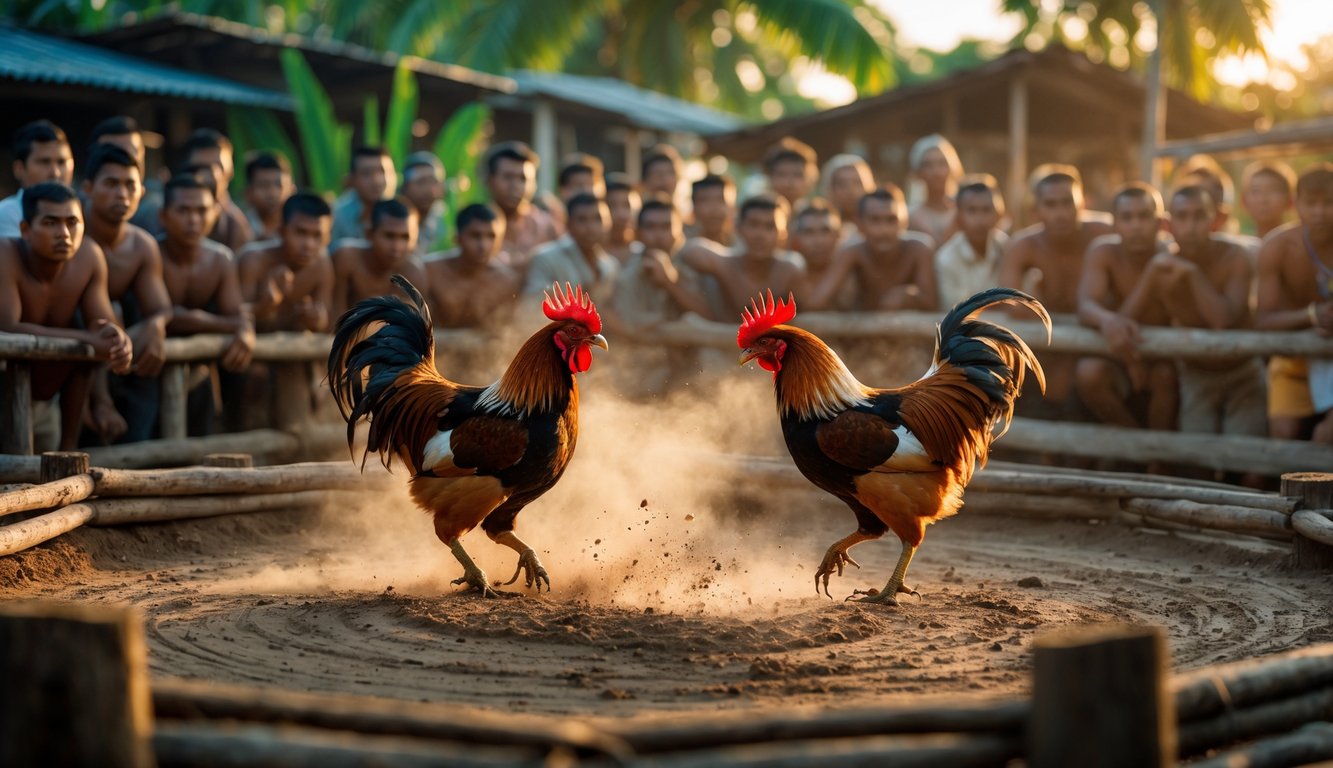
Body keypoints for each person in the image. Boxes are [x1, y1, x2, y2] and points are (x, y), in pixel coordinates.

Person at [0, 183, 132, 450]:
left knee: (82, 355)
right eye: (50, 223)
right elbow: (7, 327)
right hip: (4, 391)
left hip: (50, 397)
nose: (64, 234)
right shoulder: (5, 253)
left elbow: (102, 326)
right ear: (25, 230)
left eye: (72, 222)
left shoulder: (90, 257)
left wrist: (118, 340)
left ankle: (68, 453)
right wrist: (88, 338)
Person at [1153, 186, 1265, 477]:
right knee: (1196, 460)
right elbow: (1132, 316)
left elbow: (1222, 320)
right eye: (1182, 217)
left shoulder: (1237, 256)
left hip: (1243, 372)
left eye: (1199, 216)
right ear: (1168, 224)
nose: (1190, 227)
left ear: (1217, 220)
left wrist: (1192, 273)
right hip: (1195, 373)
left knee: (1247, 461)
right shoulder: (1163, 266)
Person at [999, 165, 1113, 411]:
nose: (1060, 213)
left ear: (1082, 204)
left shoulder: (1105, 233)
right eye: (1051, 205)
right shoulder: (1024, 246)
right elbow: (1010, 303)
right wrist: (1035, 298)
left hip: (1103, 342)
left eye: (1067, 203)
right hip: (1047, 351)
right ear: (1036, 211)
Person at [80, 143, 173, 444]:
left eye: (129, 184)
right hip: (75, 350)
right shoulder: (71, 236)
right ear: (88, 188)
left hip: (121, 351)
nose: (122, 193)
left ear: (141, 192)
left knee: (149, 348)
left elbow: (160, 308)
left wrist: (156, 327)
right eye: (111, 183)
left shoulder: (142, 246)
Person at [1075, 183, 1178, 433]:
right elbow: (1086, 304)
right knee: (1089, 372)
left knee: (1165, 376)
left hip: (1163, 356)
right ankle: (1133, 441)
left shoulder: (1174, 256)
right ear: (1115, 224)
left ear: (1160, 223)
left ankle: (1157, 458)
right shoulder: (1104, 252)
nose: (1136, 225)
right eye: (1127, 218)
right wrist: (1107, 321)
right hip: (1116, 351)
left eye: (1144, 216)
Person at [158, 174, 255, 436]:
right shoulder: (152, 253)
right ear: (163, 216)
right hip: (147, 367)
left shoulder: (221, 258)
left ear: (214, 214)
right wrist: (232, 325)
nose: (193, 219)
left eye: (202, 210)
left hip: (200, 365)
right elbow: (165, 316)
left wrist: (243, 330)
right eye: (184, 210)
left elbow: (237, 314)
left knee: (204, 434)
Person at [1256, 164, 1333, 444]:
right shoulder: (1277, 247)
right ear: (1296, 205)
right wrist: (1312, 316)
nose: (1319, 212)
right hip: (1292, 359)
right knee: (1283, 439)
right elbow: (1262, 320)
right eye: (1311, 203)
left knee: (1327, 436)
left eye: (1329, 203)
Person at [680, 195, 805, 318]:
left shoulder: (790, 269)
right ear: (738, 228)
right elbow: (691, 250)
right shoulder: (723, 262)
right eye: (753, 225)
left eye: (770, 226)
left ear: (783, 233)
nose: (760, 235)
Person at [239, 193, 334, 333]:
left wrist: (316, 320)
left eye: (317, 235)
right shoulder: (253, 260)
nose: (309, 244)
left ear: (328, 237)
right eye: (301, 233)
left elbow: (323, 324)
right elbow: (232, 317)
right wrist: (264, 306)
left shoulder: (322, 264)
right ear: (282, 231)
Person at [842, 185, 937, 311]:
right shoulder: (852, 251)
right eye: (875, 220)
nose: (884, 230)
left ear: (904, 222)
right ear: (860, 224)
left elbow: (932, 303)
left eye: (891, 220)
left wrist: (906, 296)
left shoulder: (919, 249)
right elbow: (818, 302)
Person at [425, 204, 519, 328]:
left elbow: (503, 334)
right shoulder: (430, 271)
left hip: (486, 347)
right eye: (475, 235)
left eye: (491, 236)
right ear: (457, 237)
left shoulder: (506, 281)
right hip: (433, 346)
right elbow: (419, 329)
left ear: (501, 240)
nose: (483, 245)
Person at [331, 199, 427, 318]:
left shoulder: (414, 275)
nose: (397, 247)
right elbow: (334, 319)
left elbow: (411, 330)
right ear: (369, 234)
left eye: (405, 237)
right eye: (389, 236)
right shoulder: (346, 259)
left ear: (415, 240)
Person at [484, 141, 560, 273]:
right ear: (489, 181)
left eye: (523, 179)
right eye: (508, 177)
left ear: (534, 184)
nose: (515, 186)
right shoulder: (474, 225)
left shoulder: (547, 226)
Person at [524, 192, 617, 300]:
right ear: (568, 224)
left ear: (609, 223)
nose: (591, 228)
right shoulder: (545, 259)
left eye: (598, 219)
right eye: (582, 220)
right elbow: (534, 307)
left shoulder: (611, 266)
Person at [935, 175, 1007, 310]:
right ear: (959, 215)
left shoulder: (1008, 248)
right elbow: (956, 311)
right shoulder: (945, 259)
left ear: (997, 213)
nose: (980, 219)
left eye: (986, 210)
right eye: (971, 210)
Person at [181, 128, 253, 254]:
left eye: (219, 167)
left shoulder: (237, 224)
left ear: (230, 171)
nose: (212, 175)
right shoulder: (165, 213)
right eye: (201, 167)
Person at [0, 120, 74, 237]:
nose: (55, 173)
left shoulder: (83, 213)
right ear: (19, 168)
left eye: (61, 162)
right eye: (44, 162)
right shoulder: (6, 214)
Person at [91, 116, 160, 236]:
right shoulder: (72, 212)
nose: (123, 159)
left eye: (132, 152)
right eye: (112, 153)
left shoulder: (160, 212)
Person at [791, 199, 856, 312]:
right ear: (797, 238)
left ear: (838, 235)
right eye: (809, 232)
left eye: (825, 231)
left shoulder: (854, 274)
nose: (818, 241)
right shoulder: (787, 274)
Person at [331, 146, 395, 245]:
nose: (376, 181)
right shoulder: (336, 217)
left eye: (383, 172)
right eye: (366, 173)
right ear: (352, 179)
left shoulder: (402, 213)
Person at [907, 135, 964, 247]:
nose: (936, 172)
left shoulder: (967, 211)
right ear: (918, 172)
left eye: (942, 163)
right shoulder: (909, 216)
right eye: (928, 165)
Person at [400, 151, 446, 257]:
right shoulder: (392, 219)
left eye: (433, 181)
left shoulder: (447, 220)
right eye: (420, 182)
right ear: (404, 188)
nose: (428, 189)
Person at [819, 154, 874, 241]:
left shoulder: (883, 226)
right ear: (829, 189)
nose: (851, 191)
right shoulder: (815, 228)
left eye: (857, 183)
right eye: (842, 184)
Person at [243, 152, 294, 242]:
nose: (272, 193)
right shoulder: (240, 228)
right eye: (263, 185)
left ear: (292, 190)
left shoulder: (301, 229)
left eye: (279, 185)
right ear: (248, 193)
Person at [1241, 160, 1296, 239]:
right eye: (1256, 191)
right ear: (1244, 201)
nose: (1263, 200)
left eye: (1273, 190)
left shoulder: (1298, 244)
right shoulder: (1238, 246)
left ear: (1290, 201)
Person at [763, 137, 818, 208]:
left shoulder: (820, 214)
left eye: (797, 175)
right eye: (781, 175)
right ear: (769, 177)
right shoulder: (753, 213)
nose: (789, 183)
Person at [687, 174, 735, 246]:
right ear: (694, 207)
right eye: (705, 201)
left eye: (721, 200)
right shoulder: (682, 244)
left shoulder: (746, 246)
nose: (714, 208)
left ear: (733, 207)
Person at [604, 173, 640, 264]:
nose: (620, 214)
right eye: (612, 205)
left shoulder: (645, 252)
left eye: (627, 205)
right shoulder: (590, 254)